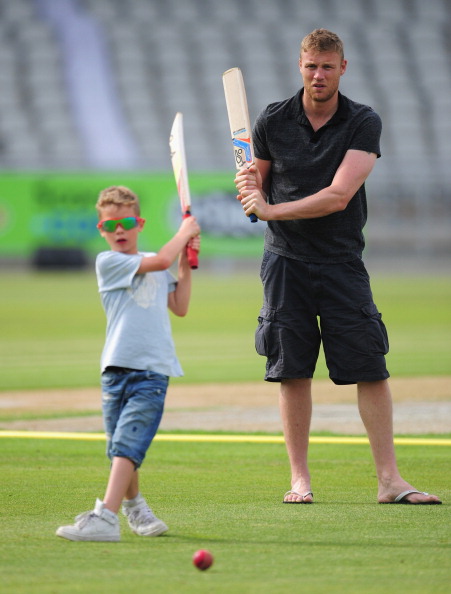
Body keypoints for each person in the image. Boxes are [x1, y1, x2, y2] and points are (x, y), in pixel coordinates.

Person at [234, 29, 441, 505]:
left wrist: (270, 210)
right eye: (311, 66)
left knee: (370, 366)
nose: (318, 74)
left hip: (342, 260)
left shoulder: (362, 121)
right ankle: (300, 480)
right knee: (291, 370)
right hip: (284, 262)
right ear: (299, 66)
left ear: (342, 68)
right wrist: (247, 189)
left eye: (328, 66)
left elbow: (338, 196)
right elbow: (255, 193)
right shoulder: (272, 119)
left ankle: (389, 481)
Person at [56, 185, 201, 541]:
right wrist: (181, 236)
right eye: (110, 225)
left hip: (152, 370)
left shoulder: (157, 261)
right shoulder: (109, 262)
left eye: (125, 222)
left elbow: (180, 305)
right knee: (119, 447)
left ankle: (106, 516)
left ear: (139, 223)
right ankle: (136, 511)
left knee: (127, 446)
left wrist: (186, 258)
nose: (118, 230)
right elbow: (160, 261)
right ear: (101, 230)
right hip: (115, 368)